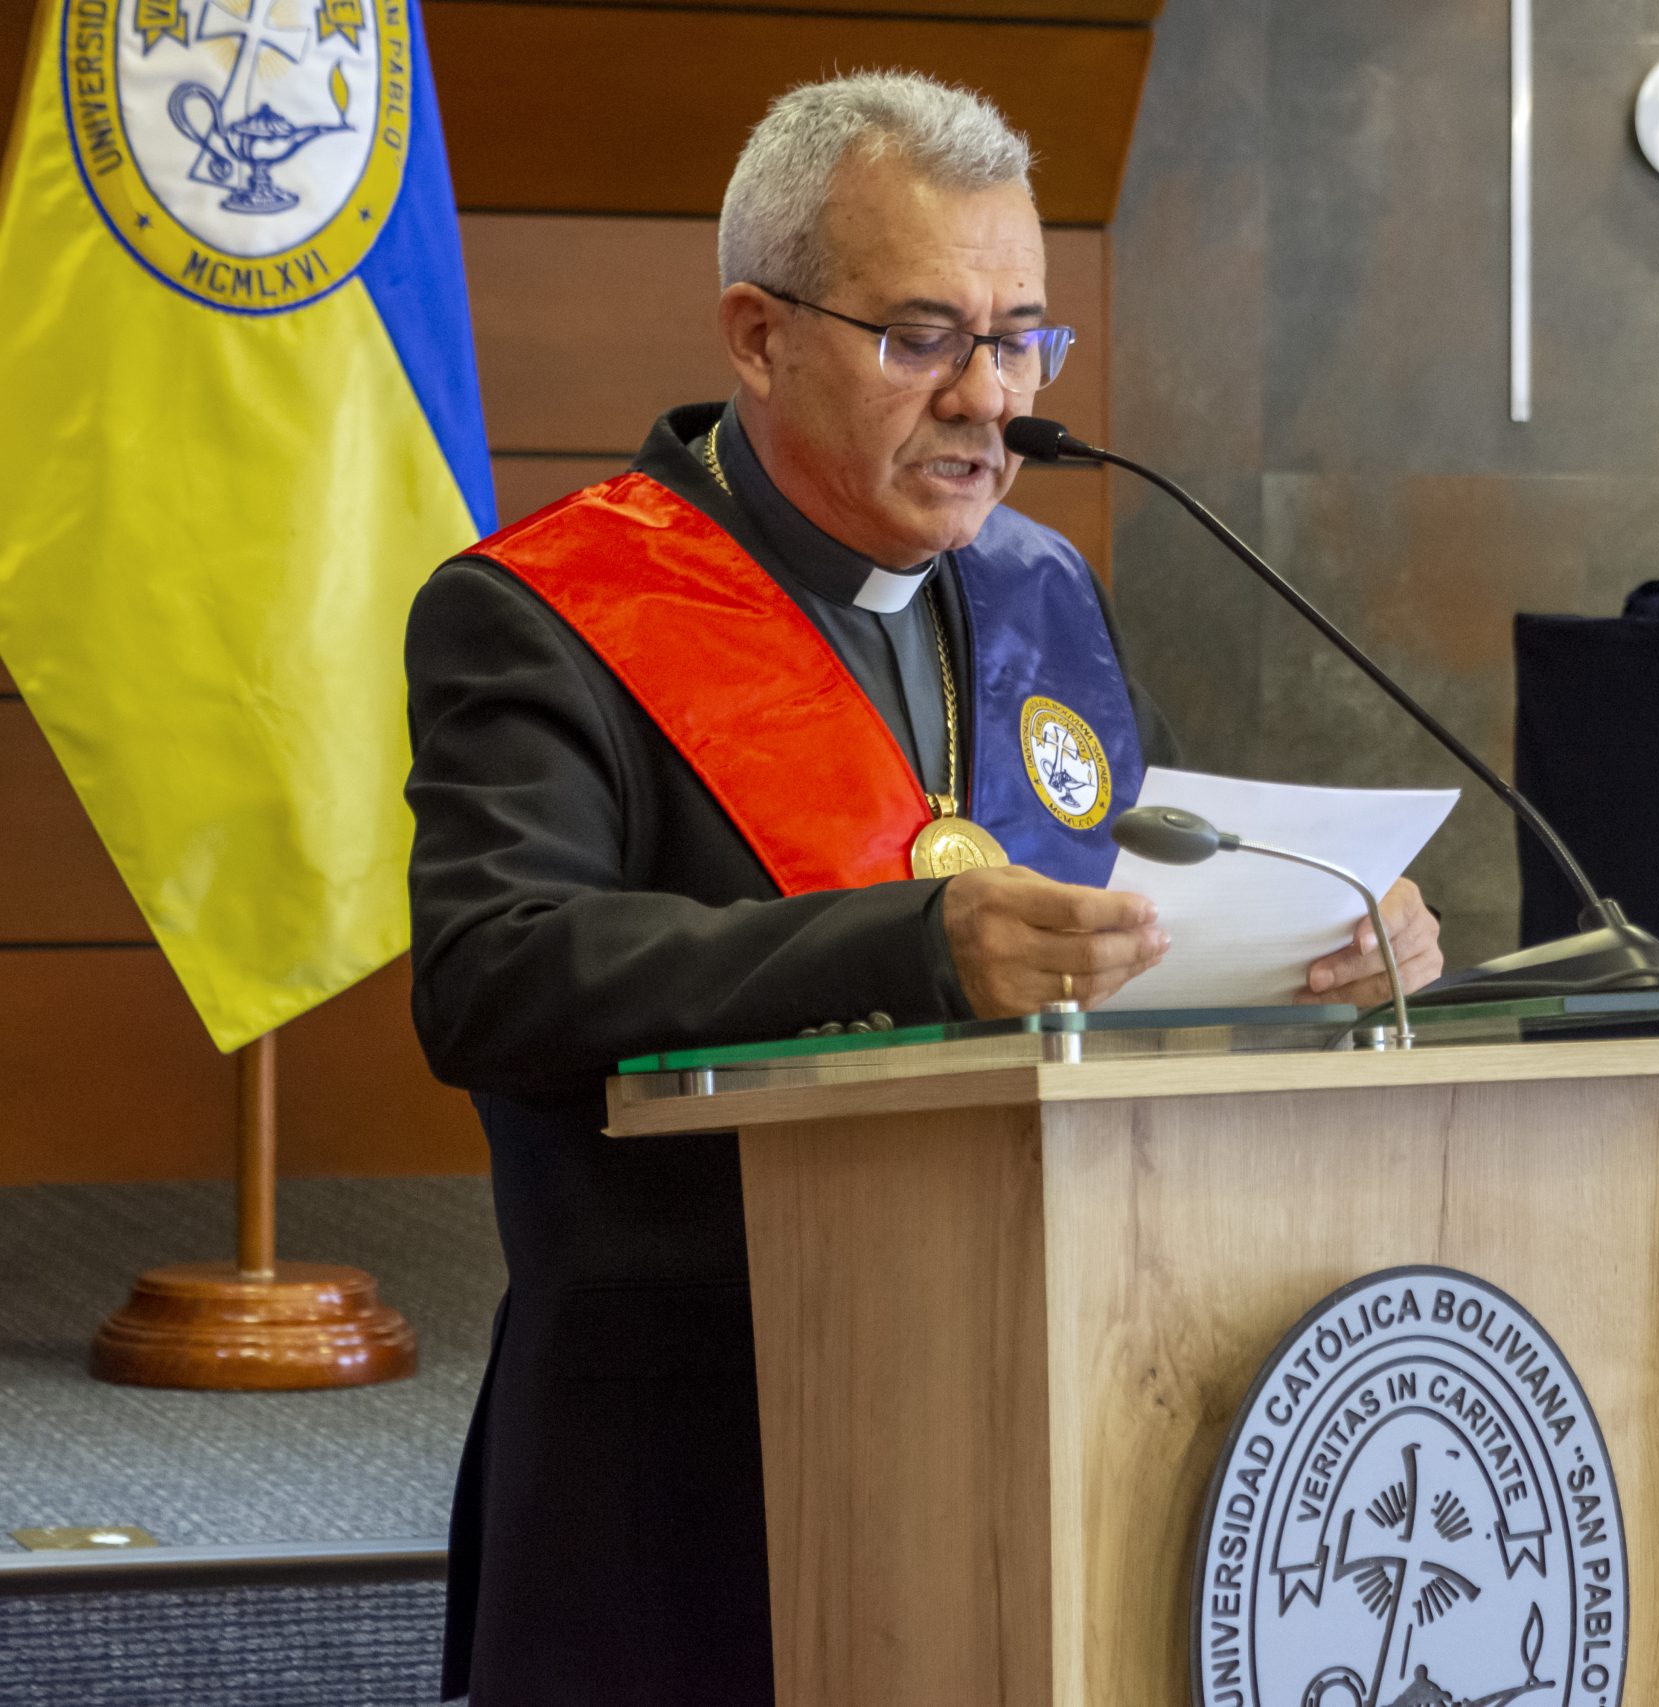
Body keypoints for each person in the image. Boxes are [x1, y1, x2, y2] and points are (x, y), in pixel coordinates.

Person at [404, 71, 1442, 1707]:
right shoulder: (553, 609)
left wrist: (1326, 920)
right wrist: (915, 945)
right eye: (924, 336)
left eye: (1023, 338)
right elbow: (494, 972)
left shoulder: (1042, 589)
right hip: (697, 1432)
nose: (991, 400)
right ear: (758, 337)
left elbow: (1150, 886)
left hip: (1067, 1378)